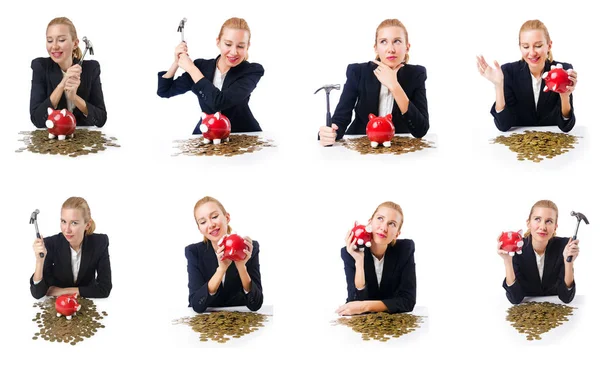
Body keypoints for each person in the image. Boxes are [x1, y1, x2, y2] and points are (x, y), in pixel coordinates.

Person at [319, 19, 429, 146]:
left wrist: (394, 86)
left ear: (407, 47)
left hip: (398, 147)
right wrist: (330, 133)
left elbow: (421, 130)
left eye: (397, 41)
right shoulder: (358, 72)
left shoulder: (416, 74)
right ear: (376, 48)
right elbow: (341, 119)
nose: (391, 49)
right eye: (383, 42)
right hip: (361, 144)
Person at [157, 17, 264, 134]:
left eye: (240, 46)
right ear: (218, 42)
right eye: (228, 44)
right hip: (207, 133)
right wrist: (176, 63)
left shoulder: (252, 71)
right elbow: (164, 91)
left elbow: (219, 102)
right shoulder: (201, 67)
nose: (234, 52)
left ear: (247, 46)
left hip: (241, 134)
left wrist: (192, 69)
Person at [477, 19, 577, 132]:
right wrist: (498, 85)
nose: (532, 52)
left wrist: (564, 96)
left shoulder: (562, 70)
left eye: (538, 45)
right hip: (519, 144)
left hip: (551, 143)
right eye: (526, 46)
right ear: (520, 47)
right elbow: (503, 125)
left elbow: (566, 126)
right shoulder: (508, 72)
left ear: (549, 45)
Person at [186, 196, 263, 313]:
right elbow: (196, 305)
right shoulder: (194, 252)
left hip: (239, 323)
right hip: (207, 324)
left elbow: (256, 304)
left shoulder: (249, 248)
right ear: (200, 229)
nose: (211, 224)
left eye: (215, 217)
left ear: (227, 217)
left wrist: (241, 267)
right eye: (203, 222)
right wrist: (221, 269)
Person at [337, 201, 416, 316]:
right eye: (380, 218)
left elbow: (408, 301)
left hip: (392, 324)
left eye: (392, 224)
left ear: (397, 233)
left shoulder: (405, 249)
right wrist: (359, 262)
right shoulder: (349, 252)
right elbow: (354, 301)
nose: (383, 228)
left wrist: (365, 306)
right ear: (370, 222)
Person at [30, 17, 107, 128]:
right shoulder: (40, 66)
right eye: (50, 40)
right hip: (53, 140)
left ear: (75, 43)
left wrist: (74, 98)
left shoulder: (91, 69)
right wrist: (62, 85)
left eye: (61, 40)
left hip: (83, 139)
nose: (54, 46)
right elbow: (37, 120)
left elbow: (101, 119)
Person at [499, 200, 579, 304]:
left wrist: (568, 262)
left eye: (549, 221)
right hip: (527, 310)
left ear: (555, 226)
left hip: (554, 307)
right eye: (537, 219)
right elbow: (515, 299)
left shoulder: (564, 246)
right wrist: (507, 261)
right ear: (528, 223)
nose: (542, 227)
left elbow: (566, 298)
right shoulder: (517, 247)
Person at [30, 197, 112, 299]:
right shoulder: (51, 244)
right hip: (58, 305)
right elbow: (38, 294)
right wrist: (39, 261)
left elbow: (104, 289)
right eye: (63, 221)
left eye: (74, 223)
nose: (67, 230)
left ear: (87, 224)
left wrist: (64, 291)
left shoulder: (100, 243)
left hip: (87, 302)